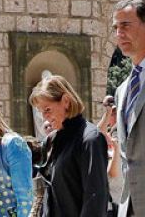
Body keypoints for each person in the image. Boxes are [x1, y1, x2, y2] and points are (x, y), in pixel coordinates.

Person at [111, 0, 145, 217]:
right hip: (129, 206)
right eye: (116, 27)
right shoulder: (122, 90)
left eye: (126, 26)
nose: (119, 33)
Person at [30, 75, 108, 217]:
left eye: (47, 109)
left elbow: (95, 199)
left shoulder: (90, 139)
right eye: (41, 112)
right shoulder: (52, 140)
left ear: (66, 101)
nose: (44, 117)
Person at [96, 96, 122, 217]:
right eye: (113, 113)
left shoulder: (124, 132)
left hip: (122, 199)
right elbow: (97, 134)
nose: (114, 115)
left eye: (115, 112)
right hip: (114, 201)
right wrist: (108, 112)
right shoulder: (111, 135)